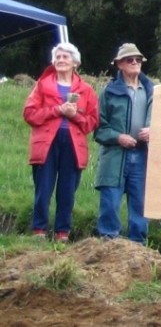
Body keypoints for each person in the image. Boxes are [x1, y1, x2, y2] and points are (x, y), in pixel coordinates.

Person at [23, 42, 99, 242]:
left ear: (75, 62)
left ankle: (62, 234)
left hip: (73, 145)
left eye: (65, 57)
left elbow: (92, 122)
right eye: (58, 57)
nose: (61, 60)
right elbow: (29, 114)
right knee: (44, 188)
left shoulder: (86, 90)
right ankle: (39, 231)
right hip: (46, 143)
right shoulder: (42, 84)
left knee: (67, 191)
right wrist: (58, 111)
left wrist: (74, 116)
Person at [94, 43, 155, 244]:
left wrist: (153, 132)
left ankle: (138, 246)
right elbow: (99, 129)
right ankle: (109, 243)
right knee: (110, 201)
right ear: (119, 64)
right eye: (130, 60)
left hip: (143, 154)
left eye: (138, 60)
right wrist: (118, 137)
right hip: (115, 156)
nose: (135, 63)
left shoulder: (153, 92)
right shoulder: (109, 92)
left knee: (140, 203)